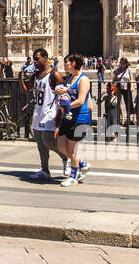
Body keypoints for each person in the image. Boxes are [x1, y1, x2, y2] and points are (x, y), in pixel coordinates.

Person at [21, 48, 63, 180]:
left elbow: (64, 94)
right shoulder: (35, 75)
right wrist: (20, 79)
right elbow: (25, 89)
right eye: (34, 59)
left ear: (45, 58)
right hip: (38, 112)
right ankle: (45, 170)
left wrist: (59, 115)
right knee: (40, 143)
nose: (35, 61)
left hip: (50, 112)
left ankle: (66, 157)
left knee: (48, 141)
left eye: (37, 58)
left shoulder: (54, 75)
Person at [56, 54, 92, 186]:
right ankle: (82, 164)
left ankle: (73, 177)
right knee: (60, 145)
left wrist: (65, 107)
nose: (64, 64)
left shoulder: (83, 80)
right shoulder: (70, 78)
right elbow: (68, 94)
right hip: (68, 117)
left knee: (71, 150)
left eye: (67, 62)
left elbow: (81, 100)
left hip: (78, 118)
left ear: (74, 63)